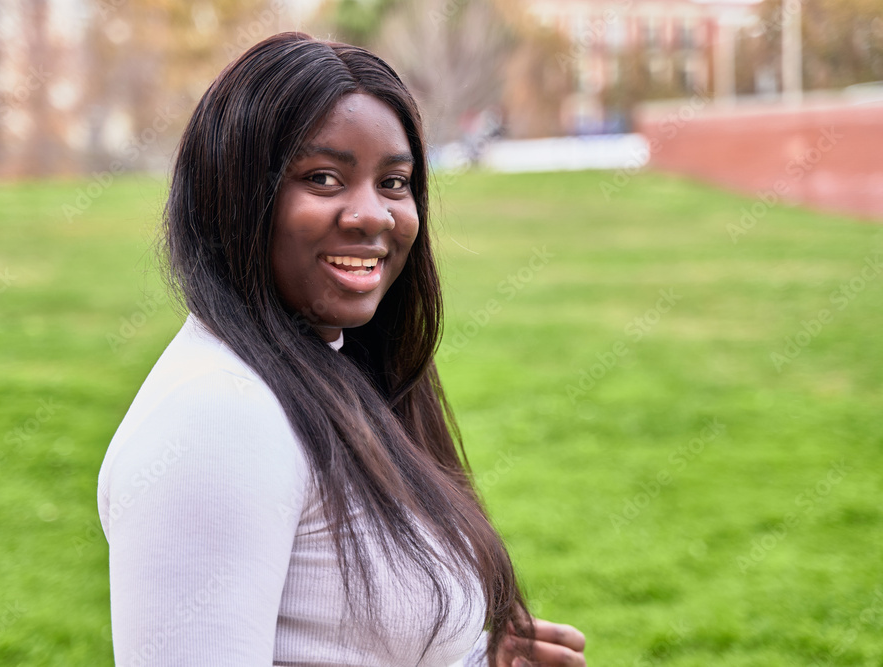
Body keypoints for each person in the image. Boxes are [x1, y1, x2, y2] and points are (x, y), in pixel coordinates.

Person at [97, 32, 586, 667]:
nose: (373, 215)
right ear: (236, 195)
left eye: (394, 182)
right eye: (323, 178)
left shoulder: (334, 366)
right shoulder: (218, 415)